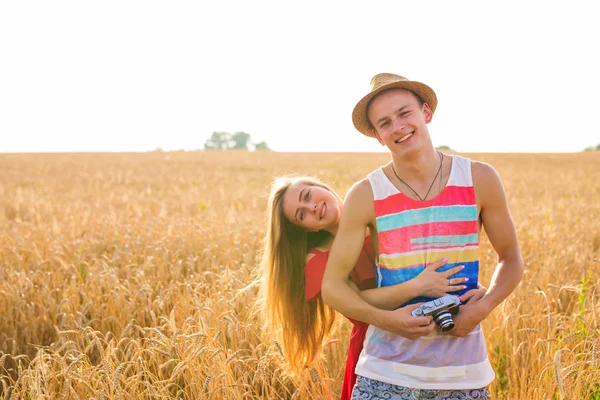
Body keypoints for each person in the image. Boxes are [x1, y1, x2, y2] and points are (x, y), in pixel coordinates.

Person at [321, 73, 524, 399]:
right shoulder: (365, 194)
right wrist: (386, 320)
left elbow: (511, 258)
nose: (398, 127)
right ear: (377, 136)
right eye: (385, 123)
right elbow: (332, 286)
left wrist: (483, 308)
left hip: (463, 374)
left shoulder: (479, 178)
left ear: (426, 113)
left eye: (405, 113)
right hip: (383, 373)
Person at [259, 176, 487, 399]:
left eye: (308, 196)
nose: (313, 207)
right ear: (307, 230)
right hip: (377, 348)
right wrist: (416, 287)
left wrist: (470, 289)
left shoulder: (387, 218)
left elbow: (434, 266)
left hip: (438, 339)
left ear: (321, 186)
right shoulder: (319, 260)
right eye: (302, 214)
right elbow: (357, 304)